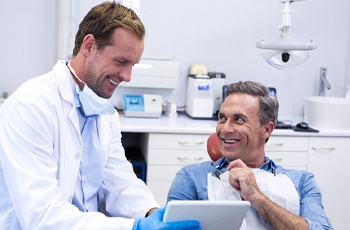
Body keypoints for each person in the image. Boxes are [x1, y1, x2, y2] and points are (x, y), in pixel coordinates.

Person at [0, 2, 200, 230]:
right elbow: (42, 216)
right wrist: (135, 227)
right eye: (121, 62)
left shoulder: (105, 114)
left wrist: (153, 214)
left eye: (133, 65)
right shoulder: (31, 106)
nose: (127, 76)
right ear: (89, 46)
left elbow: (120, 182)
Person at [167, 81, 333, 229]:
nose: (225, 129)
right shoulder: (192, 178)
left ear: (266, 130)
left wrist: (256, 196)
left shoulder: (302, 182)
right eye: (222, 118)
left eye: (239, 119)